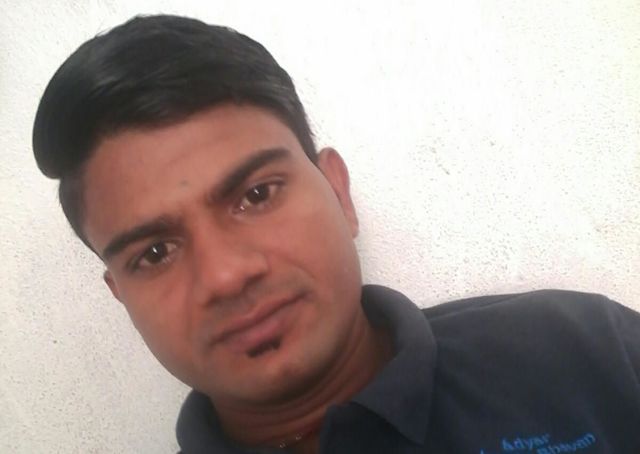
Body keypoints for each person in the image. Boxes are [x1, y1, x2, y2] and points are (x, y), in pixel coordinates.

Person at [32, 14, 640, 454]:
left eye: (256, 195)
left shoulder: (583, 353)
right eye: (155, 252)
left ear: (338, 192)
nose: (226, 275)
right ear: (121, 296)